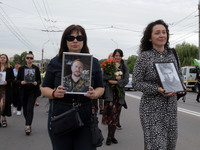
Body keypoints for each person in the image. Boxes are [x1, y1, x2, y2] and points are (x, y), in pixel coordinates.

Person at [40, 24, 104, 150]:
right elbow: (44, 88)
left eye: (79, 38)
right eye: (71, 38)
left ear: (84, 41)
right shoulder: (56, 62)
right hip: (61, 115)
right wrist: (54, 93)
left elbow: (100, 88)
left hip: (85, 115)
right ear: (65, 41)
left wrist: (94, 94)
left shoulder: (94, 62)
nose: (75, 40)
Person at [132, 19, 186, 150]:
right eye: (157, 33)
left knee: (170, 145)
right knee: (156, 146)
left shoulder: (172, 53)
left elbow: (178, 74)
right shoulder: (144, 57)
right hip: (151, 109)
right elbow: (136, 83)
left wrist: (181, 84)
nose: (162, 35)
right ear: (150, 38)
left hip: (171, 108)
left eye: (164, 32)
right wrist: (157, 89)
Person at [102, 49, 129, 145]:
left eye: (119, 56)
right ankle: (109, 137)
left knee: (116, 116)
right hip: (110, 94)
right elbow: (104, 77)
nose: (117, 57)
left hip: (119, 95)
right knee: (111, 116)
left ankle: (113, 136)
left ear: (121, 57)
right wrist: (114, 78)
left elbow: (125, 80)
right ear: (113, 56)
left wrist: (117, 82)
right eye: (116, 55)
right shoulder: (109, 65)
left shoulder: (124, 67)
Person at [17, 51, 41, 135]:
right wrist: (21, 82)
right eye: (28, 58)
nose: (29, 59)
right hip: (23, 91)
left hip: (32, 91)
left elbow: (39, 80)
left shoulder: (36, 68)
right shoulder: (21, 68)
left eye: (31, 58)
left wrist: (36, 83)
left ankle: (27, 125)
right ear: (25, 59)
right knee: (25, 110)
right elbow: (17, 80)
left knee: (30, 108)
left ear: (33, 59)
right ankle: (28, 122)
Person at [0, 54, 14, 128]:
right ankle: (2, 119)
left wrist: (7, 82)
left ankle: (3, 118)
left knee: (3, 104)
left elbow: (12, 78)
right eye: (1, 58)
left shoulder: (9, 68)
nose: (2, 59)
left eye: (4, 58)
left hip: (5, 89)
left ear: (6, 59)